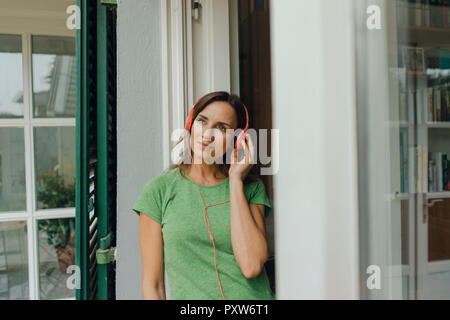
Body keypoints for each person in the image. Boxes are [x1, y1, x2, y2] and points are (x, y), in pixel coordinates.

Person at [132, 91, 274, 300]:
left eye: (221, 127)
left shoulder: (251, 189)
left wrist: (235, 181)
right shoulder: (158, 191)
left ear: (237, 140)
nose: (207, 135)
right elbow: (153, 286)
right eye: (202, 121)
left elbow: (251, 265)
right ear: (190, 124)